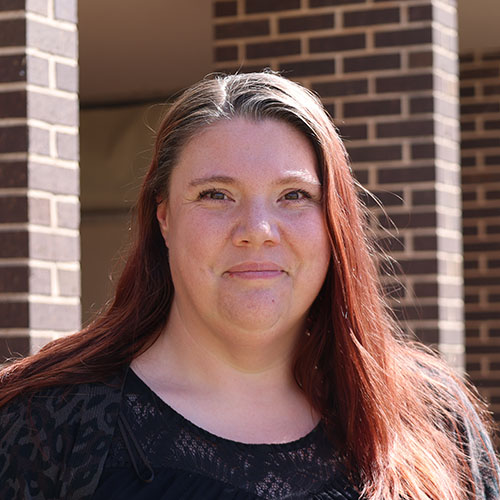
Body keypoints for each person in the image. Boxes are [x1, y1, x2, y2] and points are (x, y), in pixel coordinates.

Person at [0, 71, 498, 500]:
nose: (257, 228)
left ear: (336, 224)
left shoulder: (432, 417)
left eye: (294, 195)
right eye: (215, 194)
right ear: (164, 219)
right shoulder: (46, 427)